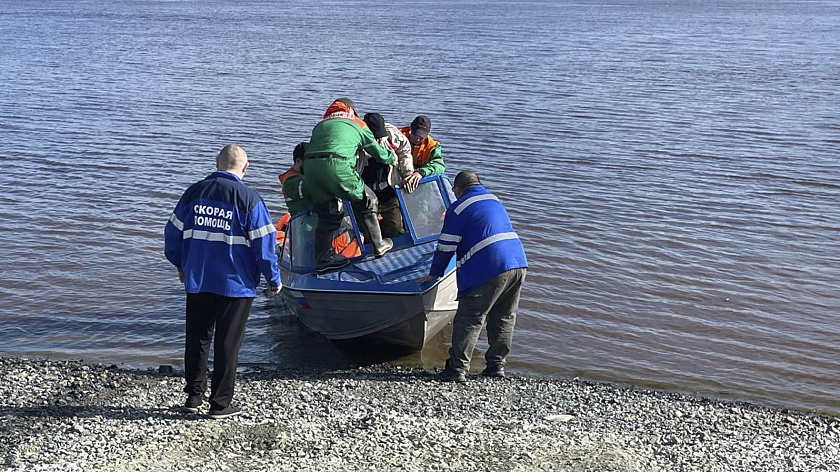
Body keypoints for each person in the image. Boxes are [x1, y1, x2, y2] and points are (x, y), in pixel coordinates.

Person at [164, 144, 281, 418]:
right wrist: (273, 278)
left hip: (200, 278)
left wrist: (181, 264)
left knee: (198, 339)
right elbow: (264, 246)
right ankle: (220, 404)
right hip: (236, 284)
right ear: (245, 167)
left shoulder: (194, 193)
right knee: (228, 343)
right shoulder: (249, 199)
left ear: (217, 162)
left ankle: (193, 397)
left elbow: (172, 234)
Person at [417, 171, 527, 383]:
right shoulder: (493, 199)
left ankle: (456, 369)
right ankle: (496, 367)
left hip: (490, 265)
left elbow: (446, 245)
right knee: (504, 317)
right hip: (518, 262)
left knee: (470, 318)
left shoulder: (458, 207)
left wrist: (434, 273)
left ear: (457, 189)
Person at [302, 97, 397, 272]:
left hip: (310, 169)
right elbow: (379, 153)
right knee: (369, 199)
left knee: (328, 215)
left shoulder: (320, 125)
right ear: (350, 110)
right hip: (337, 166)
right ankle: (379, 245)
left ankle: (323, 261)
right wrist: (392, 157)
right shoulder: (357, 123)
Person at [361, 112, 414, 238]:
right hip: (367, 194)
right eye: (375, 136)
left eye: (380, 135)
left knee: (395, 229)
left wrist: (408, 174)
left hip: (388, 191)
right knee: (369, 234)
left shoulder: (393, 134)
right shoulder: (357, 138)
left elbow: (405, 152)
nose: (378, 139)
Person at [400, 115, 445, 193]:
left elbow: (439, 166)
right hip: (398, 181)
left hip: (421, 184)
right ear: (411, 128)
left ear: (427, 134)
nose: (417, 139)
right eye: (415, 134)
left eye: (421, 136)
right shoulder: (398, 137)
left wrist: (421, 172)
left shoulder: (432, 146)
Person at [278, 141, 309, 215]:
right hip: (301, 220)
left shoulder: (301, 176)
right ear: (298, 161)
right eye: (309, 161)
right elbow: (312, 188)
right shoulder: (291, 180)